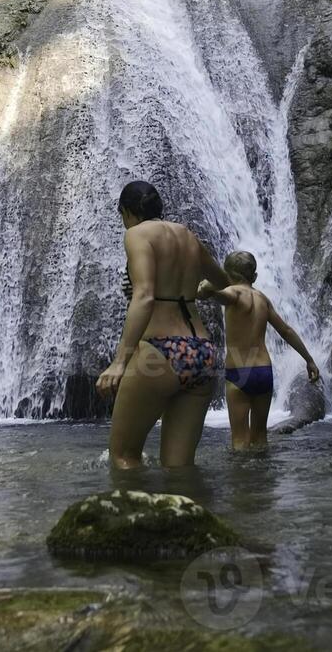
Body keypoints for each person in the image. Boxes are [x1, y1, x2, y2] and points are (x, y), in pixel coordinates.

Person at [96, 180, 230, 469]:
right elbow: (223, 282)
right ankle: (187, 512)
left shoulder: (136, 234)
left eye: (122, 215)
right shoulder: (188, 236)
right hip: (202, 353)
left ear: (128, 212)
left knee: (123, 457)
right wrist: (197, 290)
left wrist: (120, 362)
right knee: (178, 467)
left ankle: (131, 514)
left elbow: (143, 296)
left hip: (162, 349)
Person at [197, 251, 320, 451]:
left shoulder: (233, 293)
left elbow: (222, 295)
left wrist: (209, 290)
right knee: (260, 440)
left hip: (239, 372)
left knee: (239, 443)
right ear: (253, 276)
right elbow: (286, 331)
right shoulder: (263, 299)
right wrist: (309, 360)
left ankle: (243, 482)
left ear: (228, 275)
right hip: (263, 371)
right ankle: (262, 481)